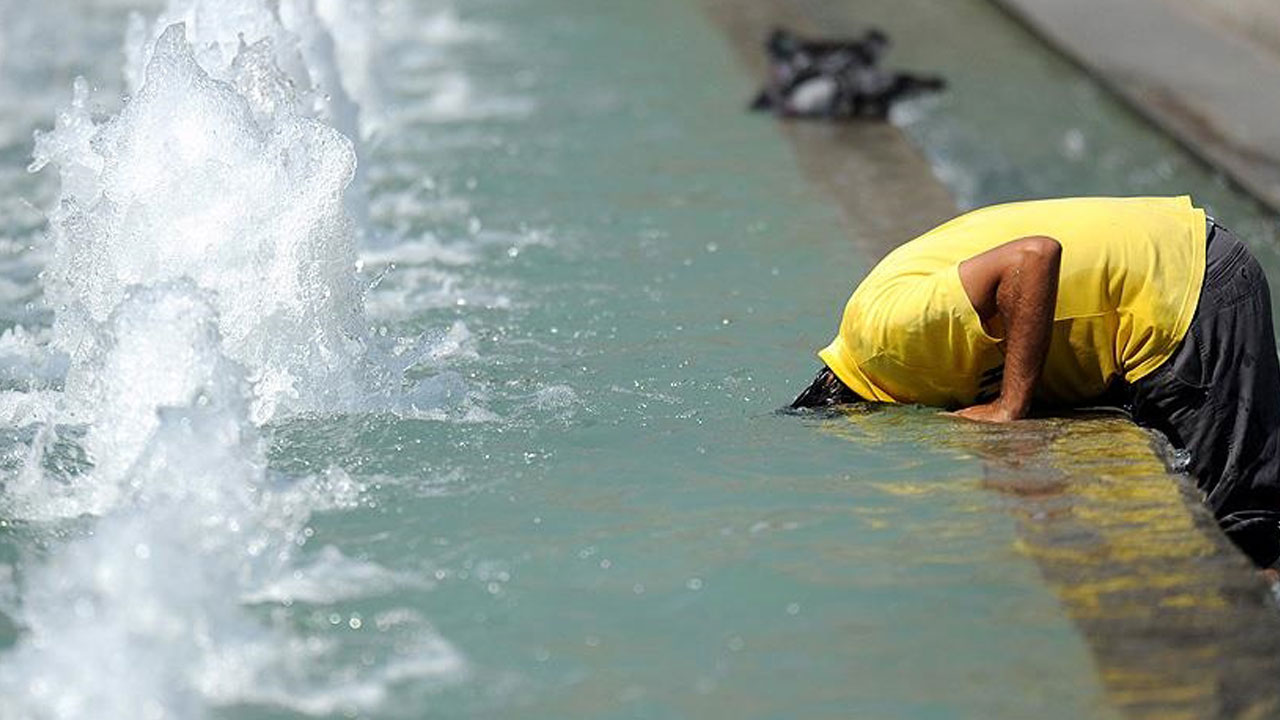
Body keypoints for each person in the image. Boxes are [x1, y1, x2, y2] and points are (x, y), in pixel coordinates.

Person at [792, 196, 1280, 568]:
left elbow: (1034, 257)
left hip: (1184, 290)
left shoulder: (887, 339)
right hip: (1170, 272)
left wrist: (1010, 405)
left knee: (1241, 533)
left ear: (853, 411)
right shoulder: (883, 342)